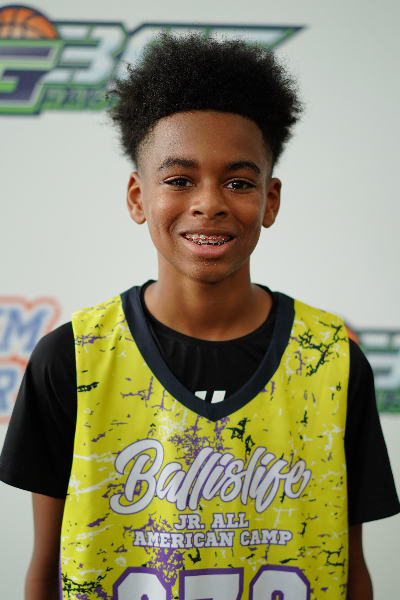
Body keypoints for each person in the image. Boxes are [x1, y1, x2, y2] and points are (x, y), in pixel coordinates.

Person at [0, 33, 399, 600]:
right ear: (138, 197)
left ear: (270, 200)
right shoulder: (72, 359)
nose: (209, 202)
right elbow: (46, 571)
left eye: (238, 182)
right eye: (179, 180)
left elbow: (352, 571)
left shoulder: (329, 359)